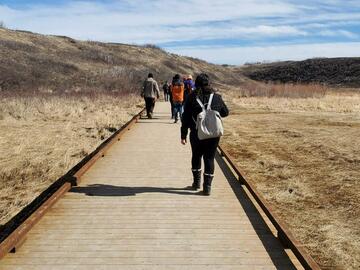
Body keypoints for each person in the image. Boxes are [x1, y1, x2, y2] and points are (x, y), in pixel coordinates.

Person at [181, 73, 229, 195]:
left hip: (196, 133)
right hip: (213, 134)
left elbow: (185, 117)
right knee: (209, 158)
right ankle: (207, 187)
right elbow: (225, 113)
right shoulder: (217, 97)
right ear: (209, 83)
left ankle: (196, 183)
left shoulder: (191, 97)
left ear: (196, 84)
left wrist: (183, 135)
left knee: (196, 156)